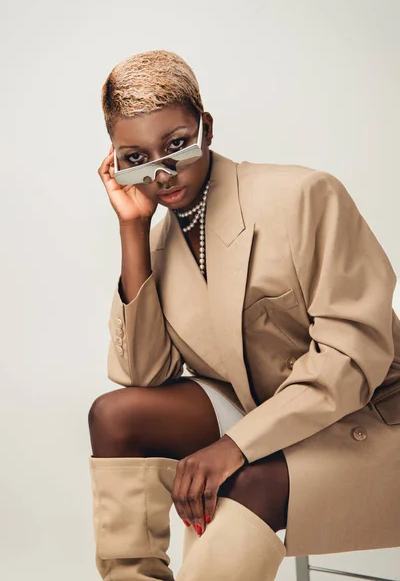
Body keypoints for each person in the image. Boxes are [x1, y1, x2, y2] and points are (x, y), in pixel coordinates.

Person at [88, 49, 400, 581]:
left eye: (177, 145)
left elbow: (352, 359)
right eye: (137, 158)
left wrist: (234, 447)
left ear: (205, 127)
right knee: (115, 416)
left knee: (245, 484)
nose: (162, 173)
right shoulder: (162, 242)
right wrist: (133, 230)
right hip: (269, 413)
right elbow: (144, 376)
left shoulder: (303, 195)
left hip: (371, 417)